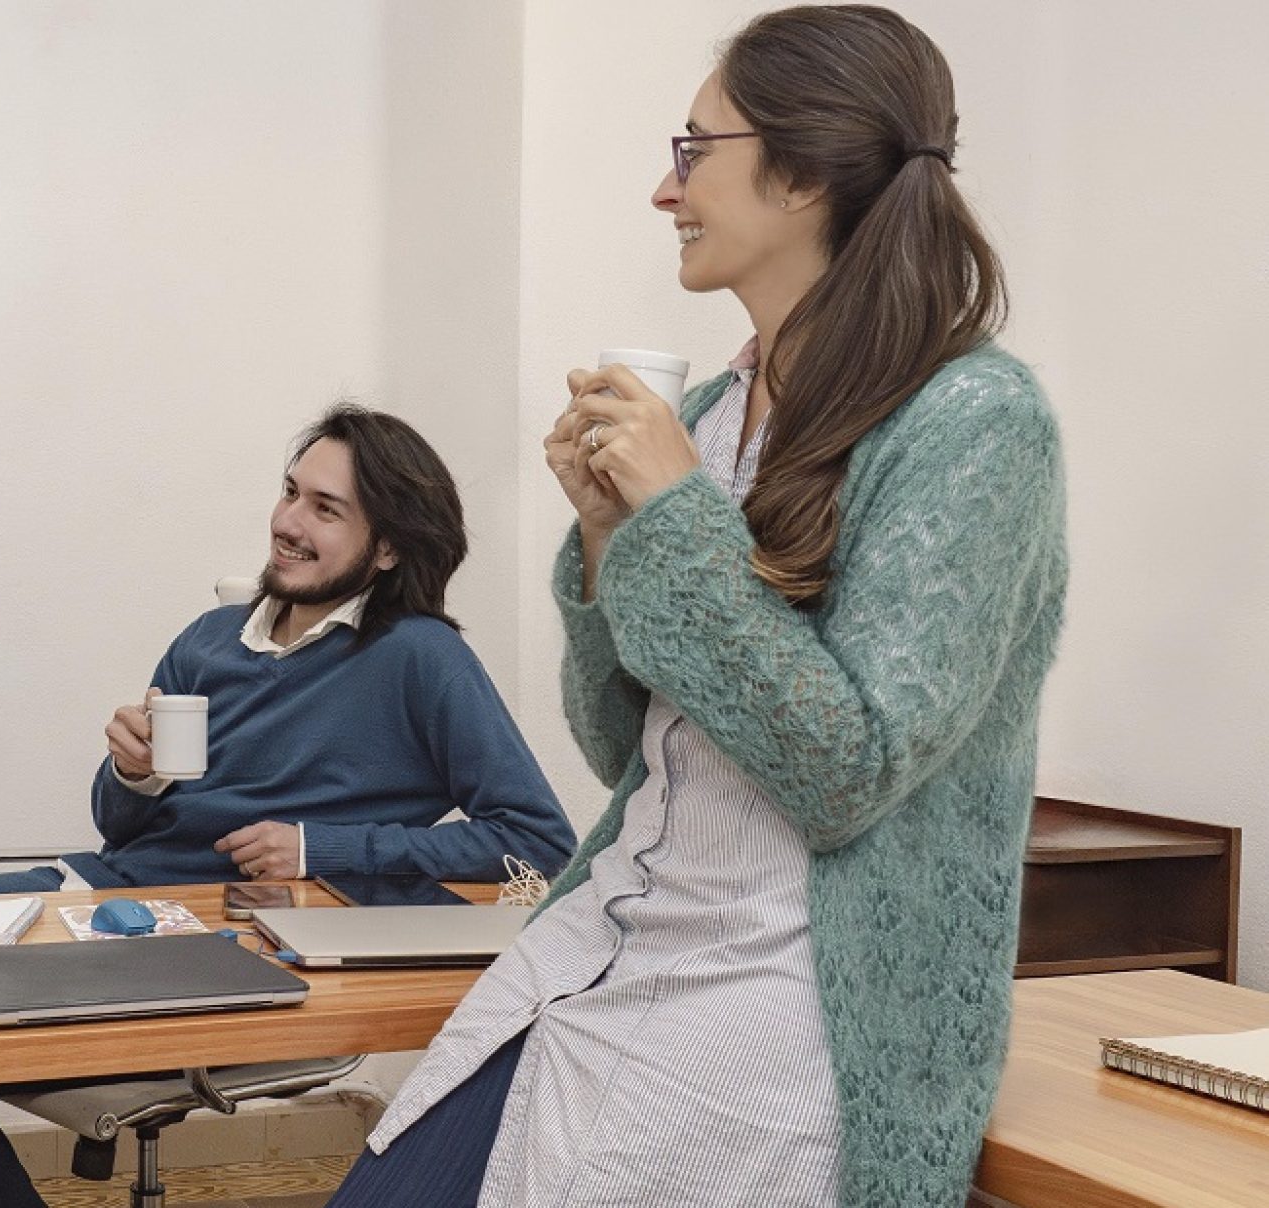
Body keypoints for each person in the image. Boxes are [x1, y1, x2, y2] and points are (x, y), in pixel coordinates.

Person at [330, 8, 1068, 1207]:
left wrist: (670, 520)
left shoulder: (975, 423)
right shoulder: (718, 413)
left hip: (790, 996)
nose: (661, 189)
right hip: (613, 932)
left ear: (803, 173)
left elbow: (842, 769)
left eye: (692, 149)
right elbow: (631, 750)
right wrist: (614, 541)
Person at [0, 404, 578, 1207]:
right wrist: (133, 773)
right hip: (112, 895)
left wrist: (321, 847)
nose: (289, 524)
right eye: (291, 493)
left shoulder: (420, 658)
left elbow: (537, 840)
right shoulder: (211, 638)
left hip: (226, 935)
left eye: (326, 510)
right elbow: (120, 829)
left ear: (390, 546)